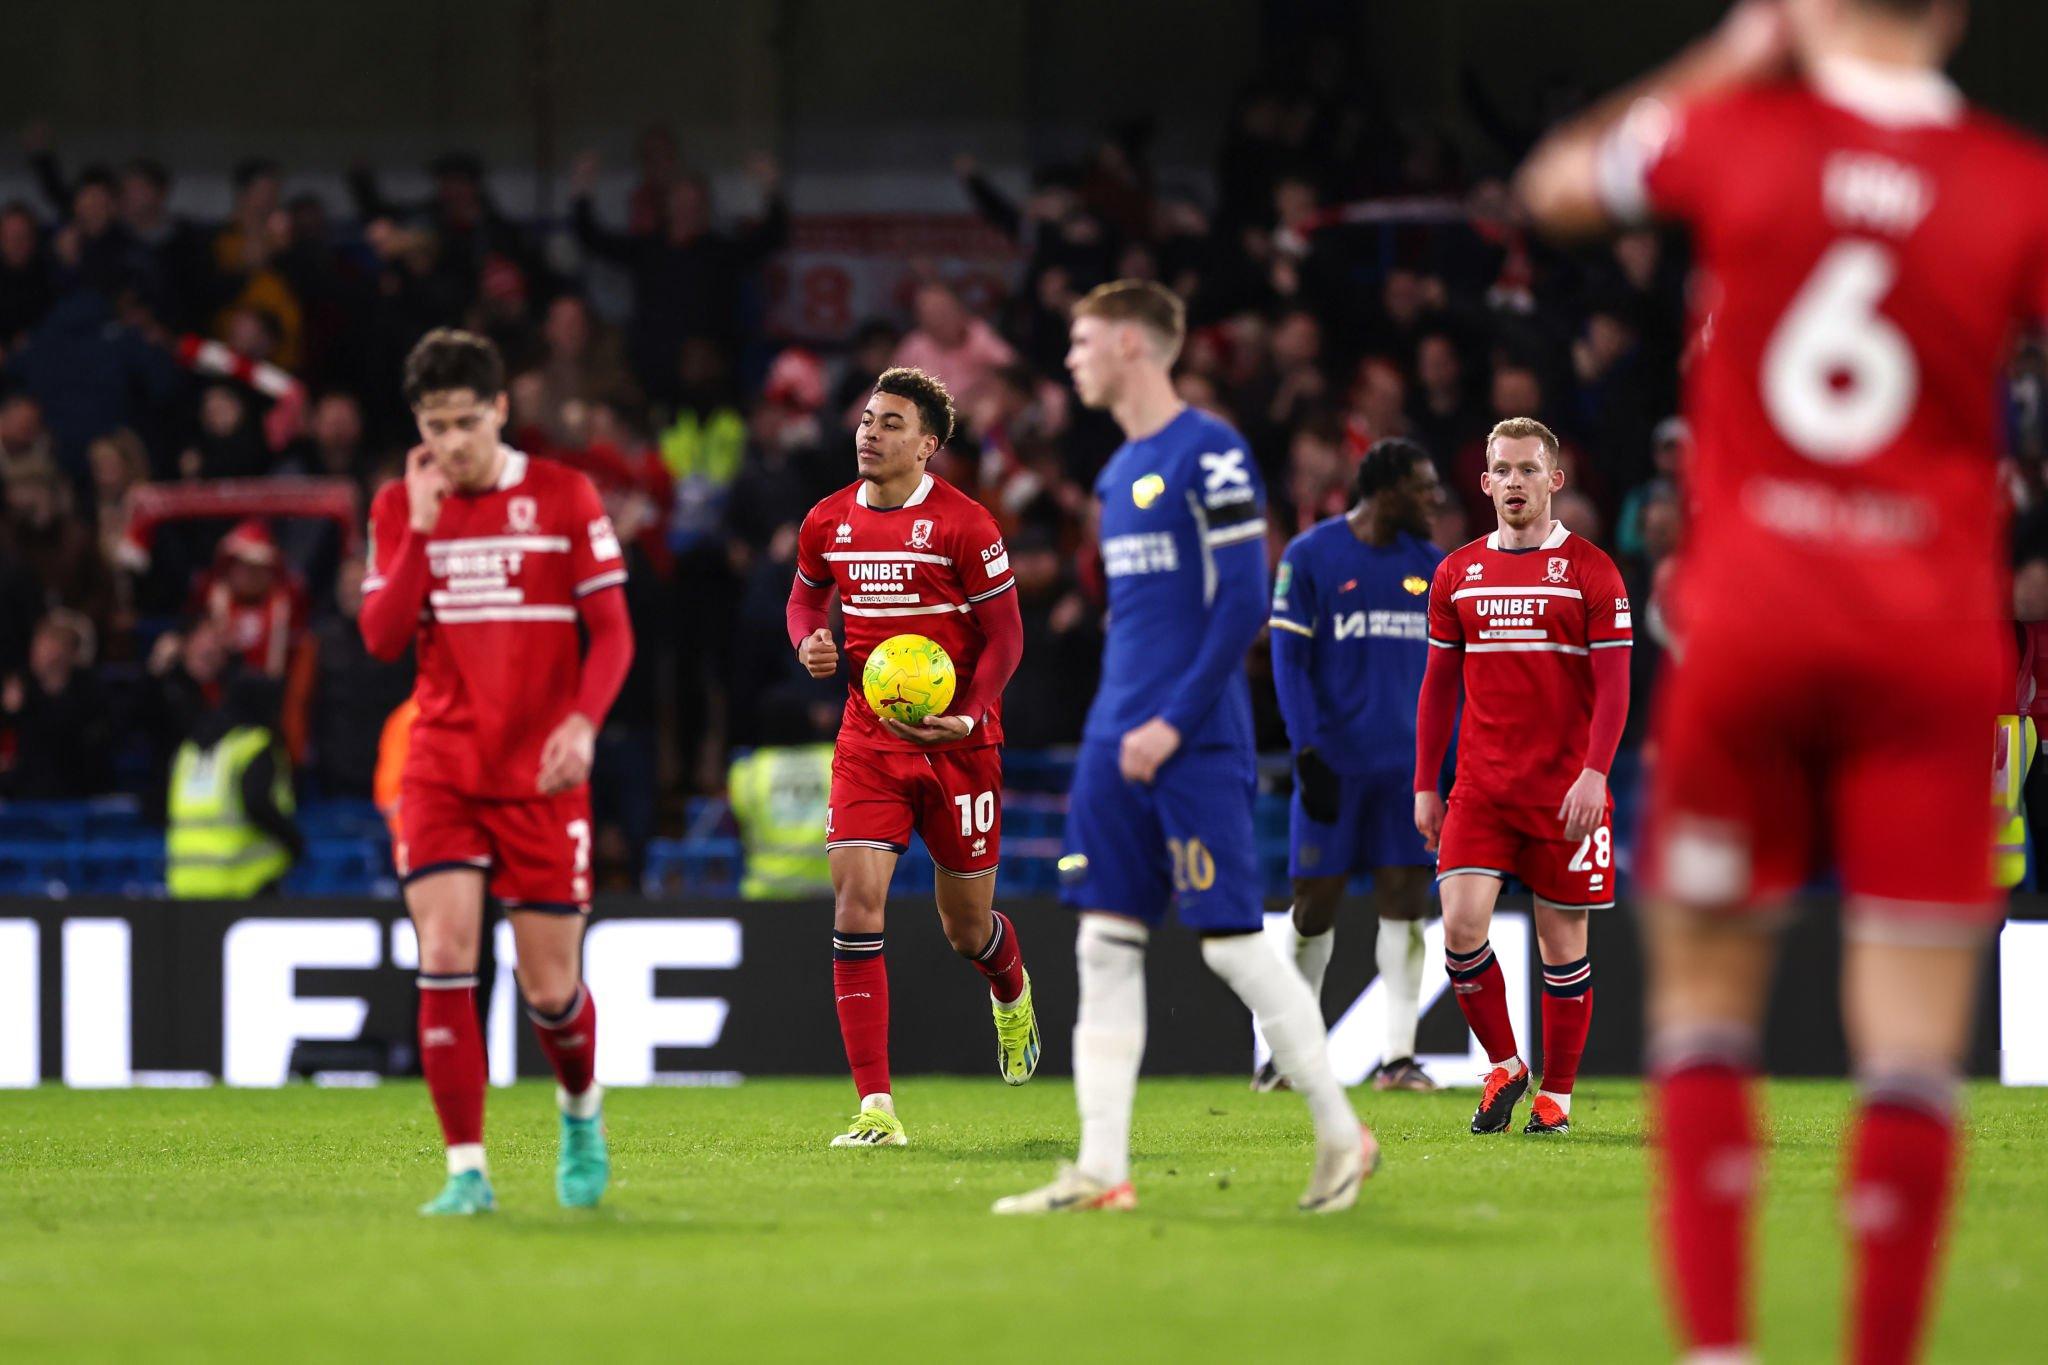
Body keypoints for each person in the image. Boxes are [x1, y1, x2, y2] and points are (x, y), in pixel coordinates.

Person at [1514, 0, 2043, 1358]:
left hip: (1752, 631)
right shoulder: (2014, 184)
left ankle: (1722, 1348)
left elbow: (1553, 185)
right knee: (1914, 1049)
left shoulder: (1732, 133)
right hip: (1932, 647)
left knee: (1700, 1016)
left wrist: (1734, 51)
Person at [997, 280, 1374, 1216]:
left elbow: (1246, 598)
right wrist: (1123, 724)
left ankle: (1341, 1130)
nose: (1071, 358)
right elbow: (1140, 618)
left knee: (1234, 945)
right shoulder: (1119, 473)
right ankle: (1100, 1169)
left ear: (1132, 342)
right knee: (1102, 941)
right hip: (1112, 739)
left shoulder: (1212, 452)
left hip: (1194, 737)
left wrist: (1173, 719)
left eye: (1082, 341)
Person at [359, 328, 634, 1215]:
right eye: (434, 426)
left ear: (501, 410)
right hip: (440, 766)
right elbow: (380, 637)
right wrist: (419, 535)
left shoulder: (562, 496)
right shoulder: (402, 506)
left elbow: (616, 634)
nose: (450, 444)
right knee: (444, 953)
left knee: (549, 989)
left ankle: (580, 1111)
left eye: (466, 422)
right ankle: (466, 1170)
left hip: (543, 776)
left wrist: (585, 724)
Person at [785, 366, 1036, 1148]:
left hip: (961, 748)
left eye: (891, 423)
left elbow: (1007, 637)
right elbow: (802, 598)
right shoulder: (828, 520)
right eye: (866, 418)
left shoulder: (966, 525)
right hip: (869, 740)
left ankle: (1011, 985)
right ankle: (876, 1109)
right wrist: (810, 642)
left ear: (927, 445)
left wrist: (968, 713)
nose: (870, 432)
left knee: (966, 929)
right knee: (855, 903)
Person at [1413, 418, 1631, 1137]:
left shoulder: (1592, 571)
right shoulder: (1458, 573)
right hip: (1481, 788)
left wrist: (1596, 772)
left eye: (1528, 470)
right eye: (1502, 470)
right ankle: (1505, 1064)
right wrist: (1425, 781)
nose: (1514, 482)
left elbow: (1616, 683)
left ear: (1554, 481)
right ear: (1484, 482)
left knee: (1562, 949)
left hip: (1567, 794)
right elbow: (1438, 686)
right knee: (1461, 928)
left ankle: (1557, 1097)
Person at [1261, 437, 1447, 1094]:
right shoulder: (1312, 556)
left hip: (1405, 772)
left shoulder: (1437, 566)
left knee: (1405, 902)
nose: (1436, 499)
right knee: (1314, 904)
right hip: (1333, 765)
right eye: (1424, 487)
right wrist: (1306, 748)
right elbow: (1288, 661)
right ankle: (1290, 1053)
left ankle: (1398, 1059)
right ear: (1388, 488)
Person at [165, 674, 302, 899]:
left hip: (186, 882)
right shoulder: (253, 744)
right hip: (244, 881)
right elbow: (257, 803)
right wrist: (294, 843)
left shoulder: (188, 750)